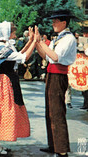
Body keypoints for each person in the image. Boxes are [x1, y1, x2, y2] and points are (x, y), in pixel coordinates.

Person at [0, 21, 37, 156]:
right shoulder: (2, 48)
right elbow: (23, 57)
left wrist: (31, 41)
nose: (15, 35)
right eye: (13, 32)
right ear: (7, 33)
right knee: (0, 113)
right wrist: (34, 41)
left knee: (1, 112)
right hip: (3, 83)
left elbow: (19, 54)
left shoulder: (5, 46)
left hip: (7, 82)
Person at [35, 9, 77, 157]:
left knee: (57, 113)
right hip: (51, 74)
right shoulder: (58, 38)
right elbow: (47, 57)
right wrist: (36, 42)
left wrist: (41, 42)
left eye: (55, 21)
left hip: (59, 75)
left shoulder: (69, 39)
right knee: (50, 112)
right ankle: (53, 144)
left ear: (64, 22)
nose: (53, 23)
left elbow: (55, 56)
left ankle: (62, 149)